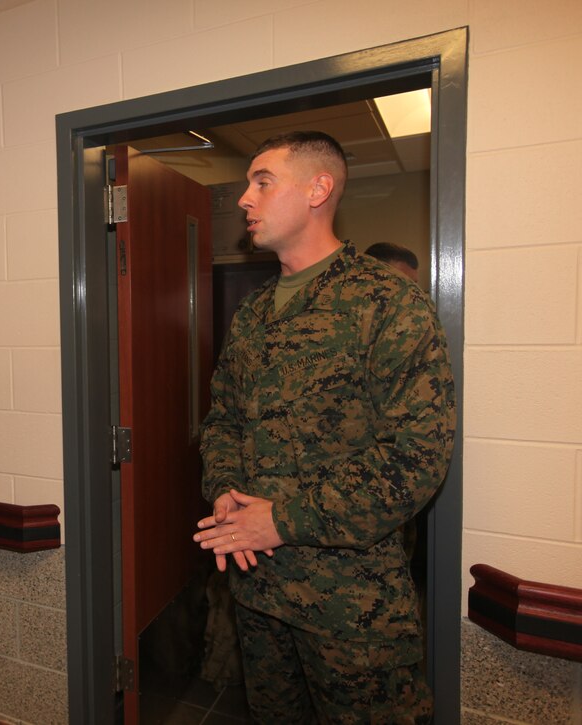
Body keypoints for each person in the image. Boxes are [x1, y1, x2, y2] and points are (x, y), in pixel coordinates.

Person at [193, 132, 455, 723]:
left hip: (351, 606)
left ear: (319, 188)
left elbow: (416, 458)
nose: (243, 198)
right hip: (259, 591)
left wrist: (283, 519)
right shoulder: (256, 311)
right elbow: (223, 419)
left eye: (263, 181)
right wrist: (225, 486)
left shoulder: (387, 302)